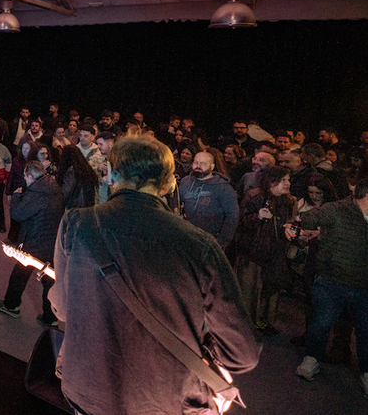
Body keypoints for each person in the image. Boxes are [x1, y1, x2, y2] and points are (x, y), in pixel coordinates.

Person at [49, 137, 261, 415]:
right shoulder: (200, 245)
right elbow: (241, 355)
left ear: (112, 176)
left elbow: (63, 310)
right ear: (169, 183)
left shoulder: (75, 223)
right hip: (166, 400)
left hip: (89, 392)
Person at [295, 178, 368, 399]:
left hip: (364, 285)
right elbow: (309, 218)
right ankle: (312, 359)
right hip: (331, 281)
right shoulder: (337, 210)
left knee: (366, 331)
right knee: (321, 323)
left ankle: (366, 372)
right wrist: (300, 222)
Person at [0, 160, 64, 324]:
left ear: (31, 176)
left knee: (19, 273)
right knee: (49, 279)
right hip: (52, 241)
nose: (25, 180)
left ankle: (11, 306)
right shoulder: (54, 189)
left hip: (33, 241)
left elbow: (18, 214)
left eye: (25, 177)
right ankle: (50, 317)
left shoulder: (35, 194)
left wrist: (17, 195)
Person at [233, 166, 297, 334]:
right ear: (272, 181)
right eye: (284, 180)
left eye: (288, 180)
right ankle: (246, 323)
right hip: (253, 252)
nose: (288, 183)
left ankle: (265, 321)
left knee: (270, 289)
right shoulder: (254, 196)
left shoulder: (289, 201)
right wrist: (257, 216)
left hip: (275, 252)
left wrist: (289, 228)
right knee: (250, 289)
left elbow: (289, 221)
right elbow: (240, 221)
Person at [178, 150, 240, 248]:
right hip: (185, 237)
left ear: (212, 167)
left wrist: (222, 241)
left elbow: (233, 216)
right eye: (196, 162)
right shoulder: (185, 181)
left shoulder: (223, 187)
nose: (198, 166)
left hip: (208, 241)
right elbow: (179, 204)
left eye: (203, 163)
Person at [57, 145, 98, 210]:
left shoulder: (71, 172)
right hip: (86, 208)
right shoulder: (85, 169)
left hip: (75, 208)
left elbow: (65, 192)